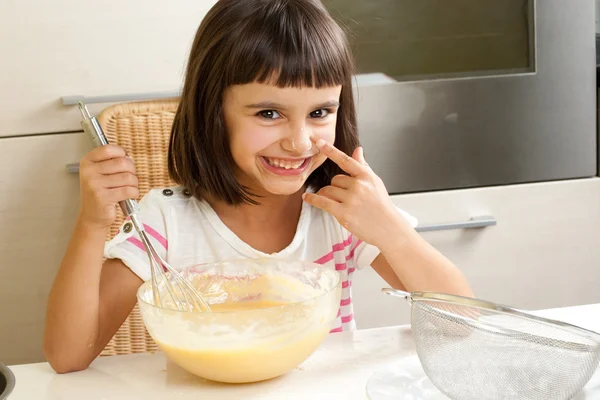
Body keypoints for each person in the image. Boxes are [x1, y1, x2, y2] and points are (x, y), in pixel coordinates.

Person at [43, 0, 473, 374]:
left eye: (320, 111)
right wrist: (91, 223)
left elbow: (459, 324)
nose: (300, 141)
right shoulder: (165, 222)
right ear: (214, 110)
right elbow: (68, 357)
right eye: (269, 113)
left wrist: (389, 228)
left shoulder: (340, 215)